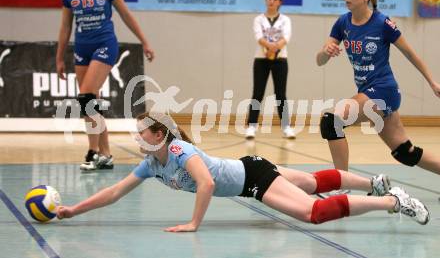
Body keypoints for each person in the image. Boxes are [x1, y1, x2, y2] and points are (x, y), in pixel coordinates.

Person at [56, 112, 430, 232]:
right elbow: (115, 192)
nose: (138, 140)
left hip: (253, 179)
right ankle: (374, 183)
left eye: (141, 134)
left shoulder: (176, 149)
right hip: (250, 167)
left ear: (158, 134)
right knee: (315, 183)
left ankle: (390, 200)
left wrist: (193, 224)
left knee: (312, 212)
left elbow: (205, 183)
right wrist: (73, 209)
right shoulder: (151, 163)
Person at [315, 0, 440, 195]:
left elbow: (411, 54)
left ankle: (343, 186)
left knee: (331, 122)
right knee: (405, 153)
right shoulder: (342, 23)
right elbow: (319, 61)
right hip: (368, 93)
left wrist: (431, 82)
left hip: (384, 91)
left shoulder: (382, 23)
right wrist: (325, 52)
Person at [56, 0, 154, 171]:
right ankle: (106, 154)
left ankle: (92, 152)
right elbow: (65, 26)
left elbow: (126, 15)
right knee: (90, 104)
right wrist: (59, 57)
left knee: (86, 98)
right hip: (82, 48)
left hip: (105, 44)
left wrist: (145, 42)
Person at [245, 0, 295, 139]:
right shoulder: (258, 19)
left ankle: (286, 127)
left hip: (280, 60)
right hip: (261, 60)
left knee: (281, 94)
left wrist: (274, 49)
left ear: (280, 2)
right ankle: (251, 127)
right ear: (266, 0)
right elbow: (258, 37)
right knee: (257, 93)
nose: (271, 1)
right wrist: (268, 48)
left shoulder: (285, 20)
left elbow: (286, 37)